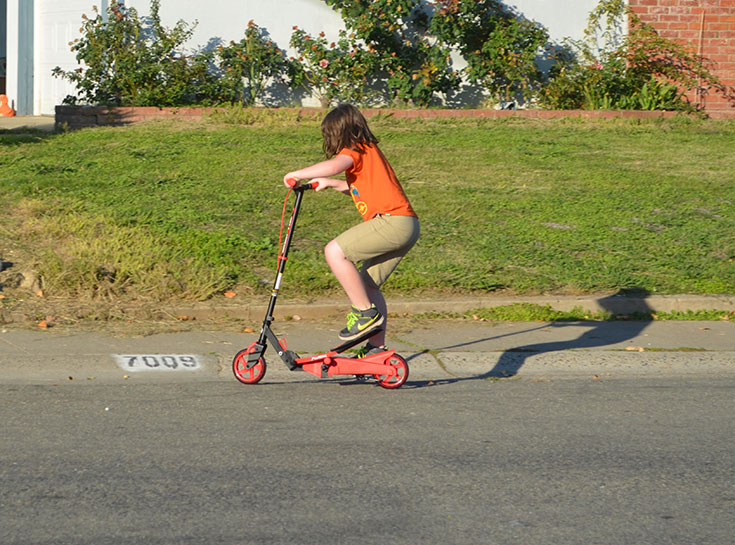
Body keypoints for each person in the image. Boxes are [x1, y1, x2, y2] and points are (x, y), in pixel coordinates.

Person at [284, 104, 419, 355]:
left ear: (339, 132)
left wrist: (297, 173)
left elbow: (336, 164)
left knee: (335, 252)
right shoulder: (369, 152)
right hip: (407, 225)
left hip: (392, 222)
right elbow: (359, 187)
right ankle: (376, 349)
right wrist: (332, 184)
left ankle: (364, 314)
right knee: (368, 286)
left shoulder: (355, 149)